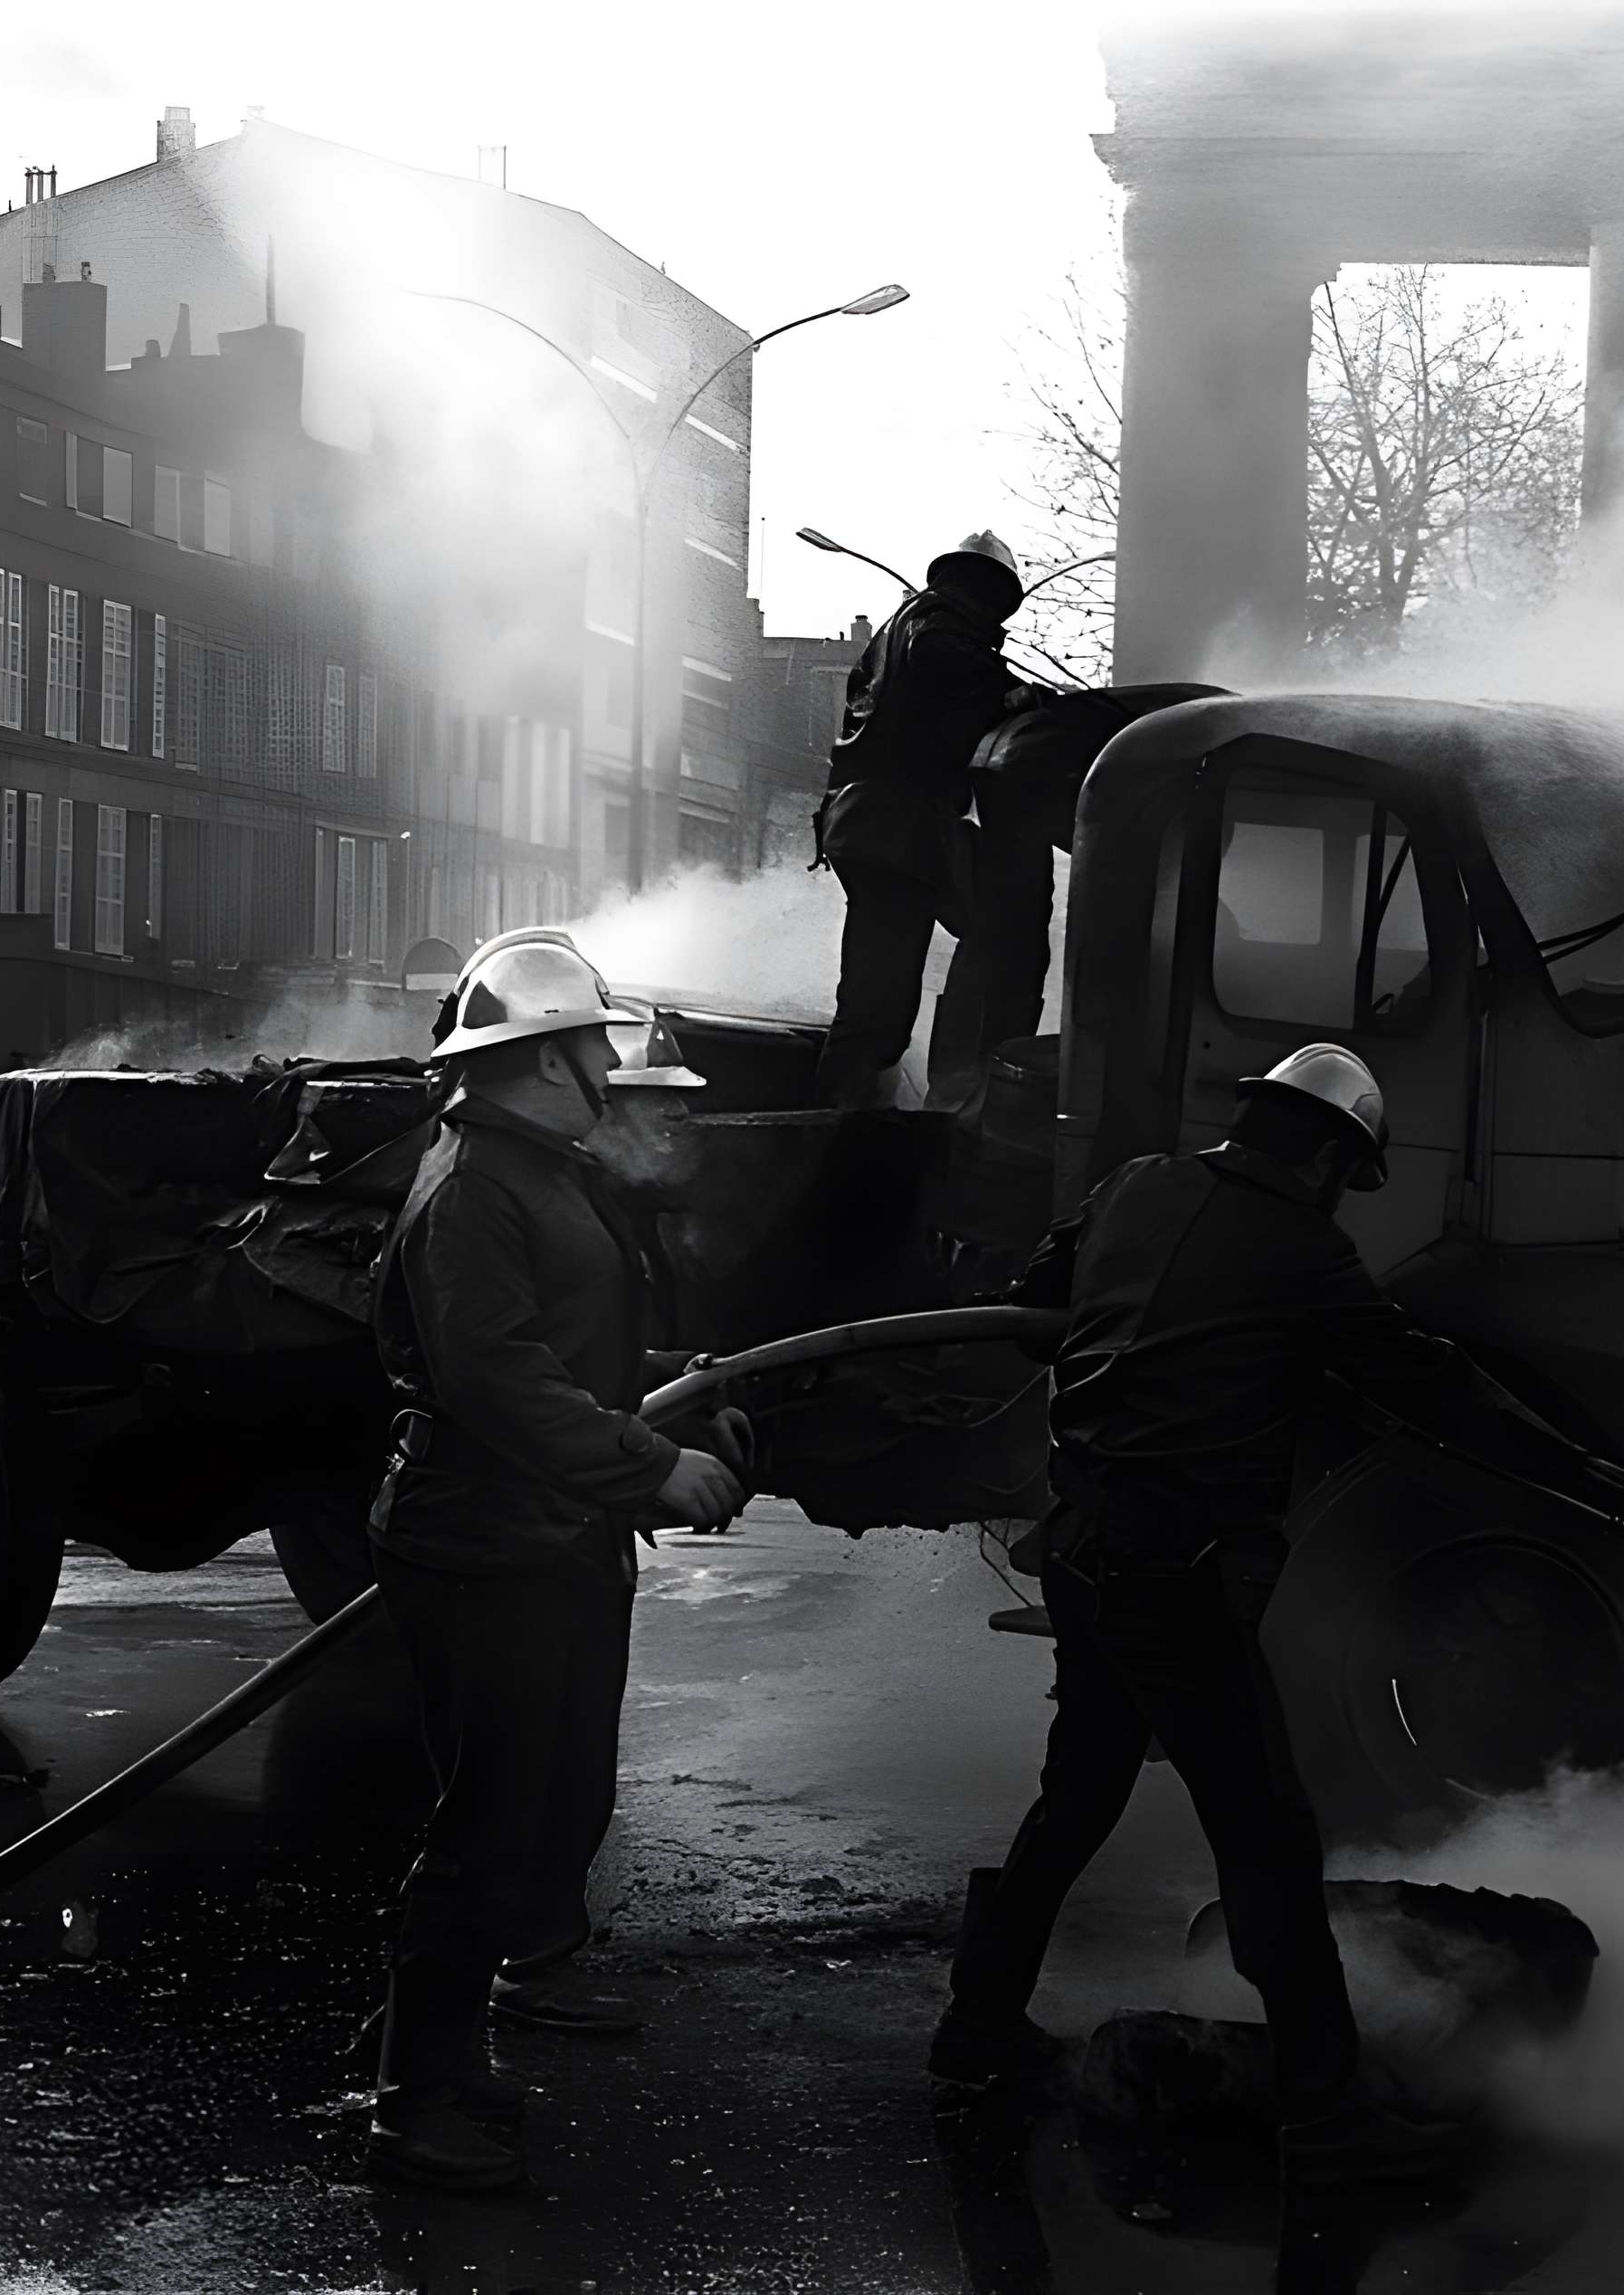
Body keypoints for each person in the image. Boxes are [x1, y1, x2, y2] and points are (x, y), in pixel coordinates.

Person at [929, 1043, 1624, 2190]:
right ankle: (1330, 2113)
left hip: (1084, 1556)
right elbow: (1436, 1392)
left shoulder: (1137, 1182)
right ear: (1331, 1153)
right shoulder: (1304, 1251)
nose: (1343, 1195)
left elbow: (1043, 1303)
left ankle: (975, 2027)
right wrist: (1599, 1480)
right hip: (1173, 1578)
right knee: (1268, 1837)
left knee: (1077, 1797)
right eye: (1348, 1173)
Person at [361, 929, 755, 2190]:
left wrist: (668, 1403)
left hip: (546, 1539)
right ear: (543, 1061)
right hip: (490, 1549)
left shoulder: (533, 1172)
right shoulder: (479, 1185)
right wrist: (650, 1469)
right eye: (593, 1041)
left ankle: (444, 2053)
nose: (608, 1062)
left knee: (541, 1807)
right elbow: (500, 1380)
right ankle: (415, 2100)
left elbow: (558, 1353)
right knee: (490, 1823)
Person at [812, 530, 1055, 1112]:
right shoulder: (939, 623)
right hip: (895, 829)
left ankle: (904, 1101)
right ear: (992, 592)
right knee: (879, 1008)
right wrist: (1016, 695)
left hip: (877, 826)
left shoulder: (909, 626)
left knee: (889, 997)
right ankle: (835, 1132)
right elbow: (945, 665)